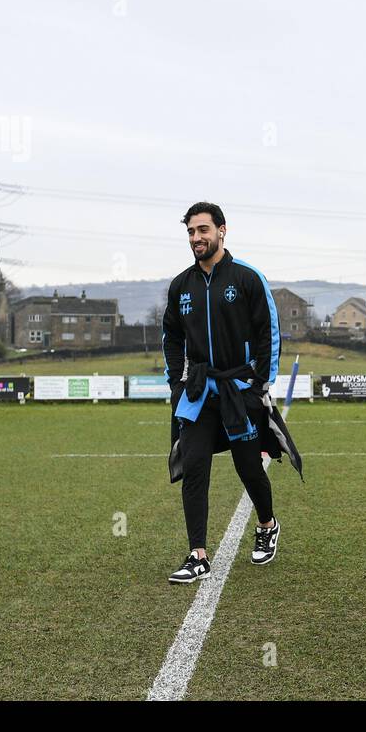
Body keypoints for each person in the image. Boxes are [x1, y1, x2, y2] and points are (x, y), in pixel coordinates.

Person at [161, 201, 284, 584]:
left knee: (248, 466)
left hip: (239, 389)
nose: (197, 238)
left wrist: (259, 383)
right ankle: (197, 553)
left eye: (203, 230)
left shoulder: (247, 278)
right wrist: (176, 384)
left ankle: (266, 524)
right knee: (194, 463)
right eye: (191, 232)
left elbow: (269, 331)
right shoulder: (181, 285)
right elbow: (172, 337)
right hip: (198, 391)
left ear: (222, 230)